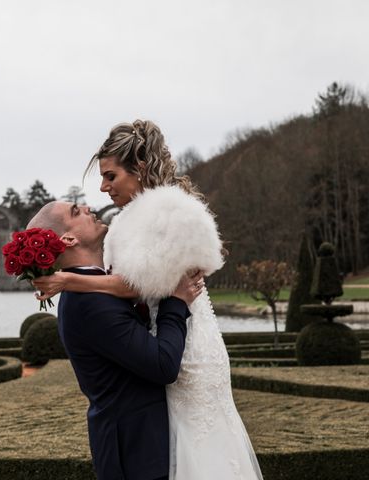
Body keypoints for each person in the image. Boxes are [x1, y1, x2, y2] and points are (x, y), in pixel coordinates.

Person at [33, 120, 264, 479]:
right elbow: (130, 286)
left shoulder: (173, 211)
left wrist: (69, 279)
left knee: (202, 449)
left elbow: (141, 286)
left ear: (138, 169)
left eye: (110, 176)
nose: (102, 187)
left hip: (189, 351)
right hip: (164, 347)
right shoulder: (122, 224)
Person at [26, 200, 204, 480]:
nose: (86, 207)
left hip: (142, 447)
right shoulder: (90, 303)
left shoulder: (95, 289)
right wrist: (176, 302)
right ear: (68, 239)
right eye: (76, 211)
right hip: (138, 456)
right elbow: (163, 364)